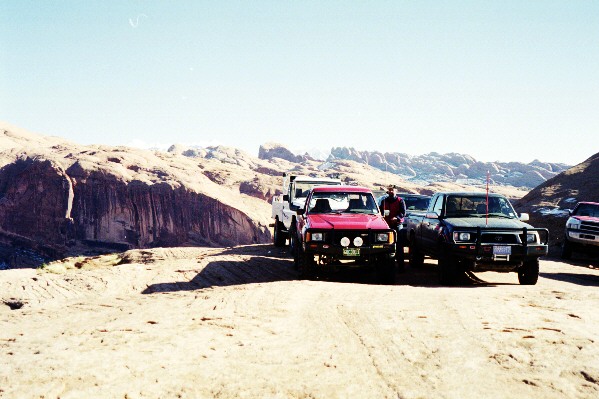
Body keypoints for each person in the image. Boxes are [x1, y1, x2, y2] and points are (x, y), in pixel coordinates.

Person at [379, 185, 407, 269]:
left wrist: (397, 218)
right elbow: (380, 211)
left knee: (399, 246)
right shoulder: (384, 201)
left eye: (392, 190)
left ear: (396, 191)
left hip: (397, 225)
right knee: (383, 245)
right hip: (387, 225)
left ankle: (401, 266)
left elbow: (403, 213)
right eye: (389, 190)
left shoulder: (400, 201)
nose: (391, 191)